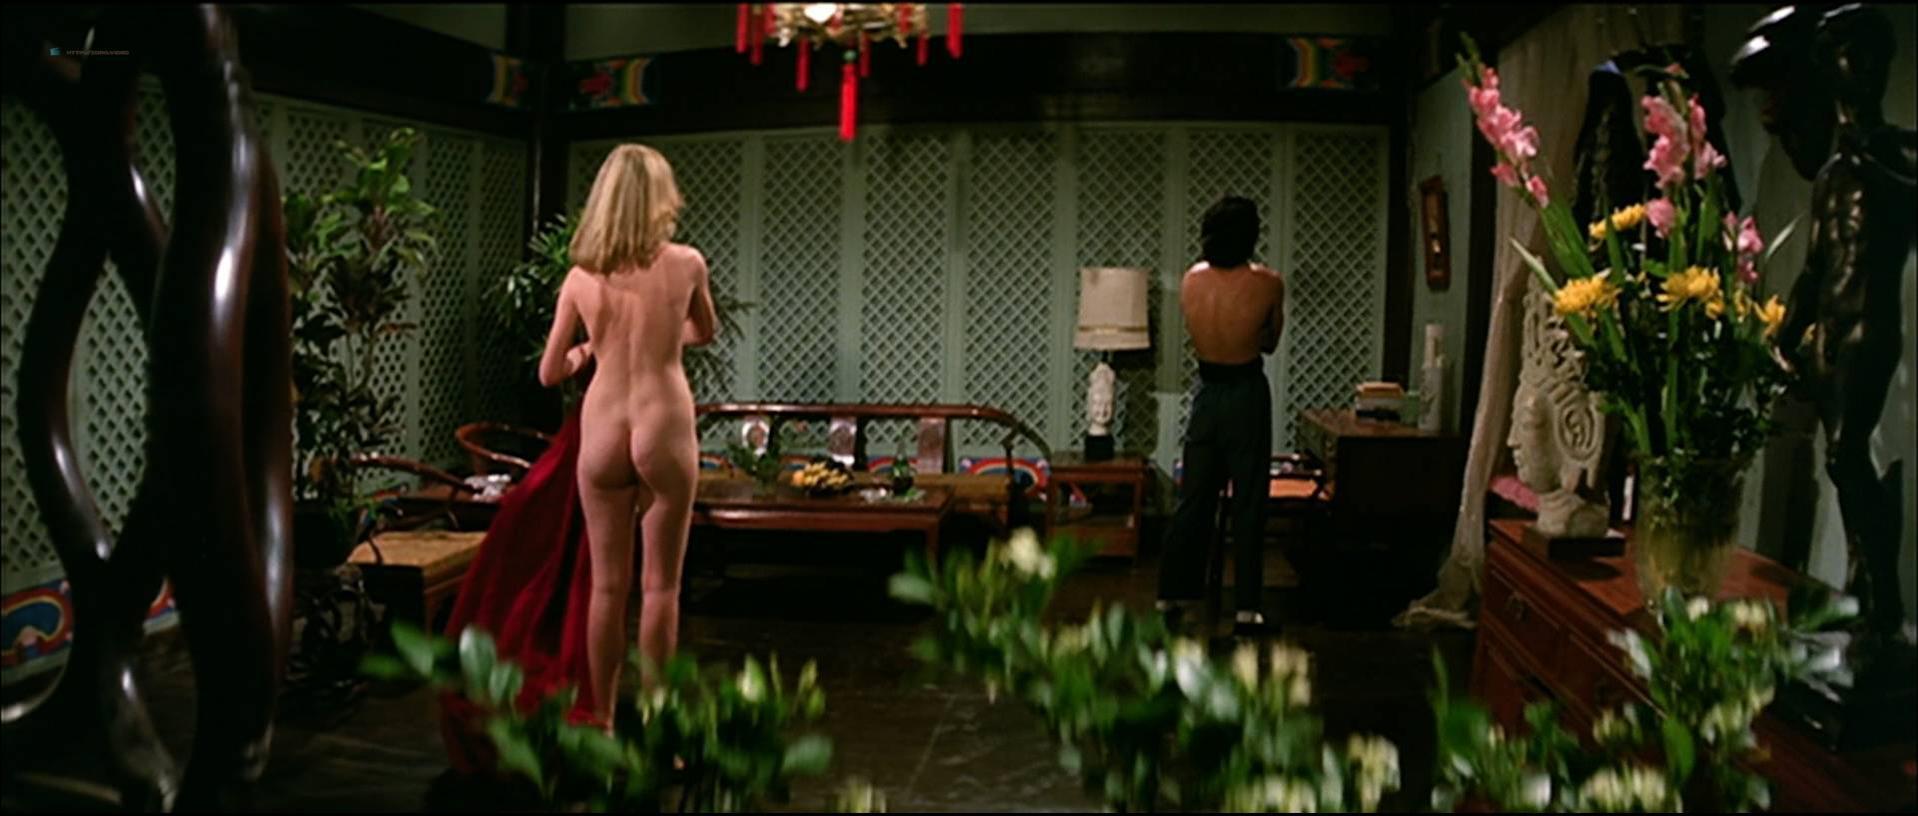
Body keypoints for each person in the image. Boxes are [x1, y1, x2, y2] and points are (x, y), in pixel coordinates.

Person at [542, 144, 718, 726]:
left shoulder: (580, 278)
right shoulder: (687, 264)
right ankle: (658, 720)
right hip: (663, 420)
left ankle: (602, 720)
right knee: (662, 588)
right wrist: (663, 332)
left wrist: (587, 350)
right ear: (661, 199)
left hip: (603, 424)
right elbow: (704, 331)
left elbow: (549, 372)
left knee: (607, 588)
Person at [1156, 196, 1285, 637]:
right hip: (1246, 391)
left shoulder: (1191, 280)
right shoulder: (1268, 283)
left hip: (1207, 392)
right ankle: (1247, 608)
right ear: (1250, 235)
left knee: (1194, 499)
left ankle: (1170, 594)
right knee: (1249, 501)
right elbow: (1270, 343)